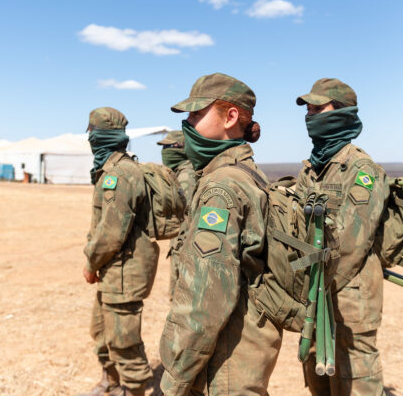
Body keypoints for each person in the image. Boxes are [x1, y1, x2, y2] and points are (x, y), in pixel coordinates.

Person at [159, 73, 281, 396]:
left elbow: (205, 299)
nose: (187, 123)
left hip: (224, 362)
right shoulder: (245, 172)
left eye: (197, 114)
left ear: (230, 118)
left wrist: (176, 378)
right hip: (242, 351)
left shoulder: (221, 187)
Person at [295, 78, 390, 396]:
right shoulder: (311, 169)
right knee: (317, 374)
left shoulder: (362, 170)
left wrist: (316, 284)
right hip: (315, 292)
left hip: (349, 298)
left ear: (341, 113)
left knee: (355, 380)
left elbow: (351, 244)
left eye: (317, 108)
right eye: (308, 109)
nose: (309, 115)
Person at [80, 107, 159, 396]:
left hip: (125, 272)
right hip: (114, 270)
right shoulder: (108, 170)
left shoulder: (120, 174)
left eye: (91, 133)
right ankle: (111, 383)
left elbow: (111, 233)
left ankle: (135, 389)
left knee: (124, 341)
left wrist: (91, 263)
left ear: (99, 136)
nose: (89, 138)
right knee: (102, 333)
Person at [157, 131, 197, 300]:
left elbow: (188, 215)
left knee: (180, 297)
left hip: (185, 247)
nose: (165, 151)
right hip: (180, 244)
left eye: (169, 146)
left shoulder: (187, 176)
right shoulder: (179, 173)